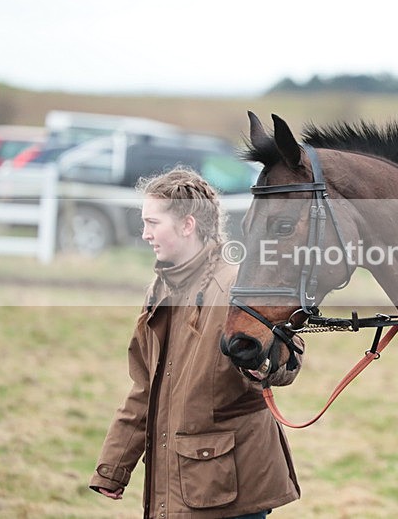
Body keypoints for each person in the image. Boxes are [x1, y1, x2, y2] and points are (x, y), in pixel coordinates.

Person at [89, 167, 301, 519]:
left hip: (234, 487)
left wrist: (261, 363)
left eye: (153, 223)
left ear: (187, 225)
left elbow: (289, 361)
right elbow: (145, 387)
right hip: (181, 482)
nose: (144, 234)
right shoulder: (160, 290)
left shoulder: (238, 285)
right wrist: (114, 466)